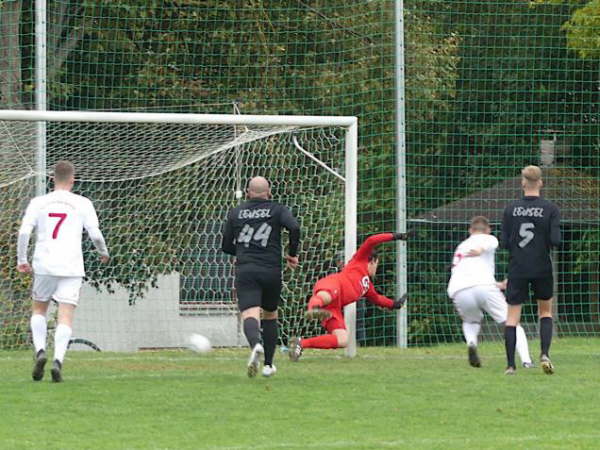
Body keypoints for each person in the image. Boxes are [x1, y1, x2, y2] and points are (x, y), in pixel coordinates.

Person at [17, 161, 109, 382]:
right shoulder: (82, 203)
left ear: (52, 179)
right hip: (71, 266)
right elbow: (95, 234)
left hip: (45, 264)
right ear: (72, 180)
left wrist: (22, 259)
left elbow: (24, 232)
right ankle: (58, 360)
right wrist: (103, 252)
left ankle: (40, 351)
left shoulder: (39, 202)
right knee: (65, 315)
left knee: (39, 310)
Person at [221, 176, 300, 378]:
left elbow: (225, 245)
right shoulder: (277, 209)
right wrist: (292, 253)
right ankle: (268, 365)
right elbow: (294, 227)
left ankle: (256, 344)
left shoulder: (236, 212)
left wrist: (239, 252)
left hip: (247, 269)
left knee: (250, 314)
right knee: (270, 314)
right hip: (271, 270)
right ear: (269, 192)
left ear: (248, 192)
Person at [288, 232, 407, 361]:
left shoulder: (367, 286)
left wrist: (395, 304)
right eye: (377, 265)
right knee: (326, 296)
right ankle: (314, 309)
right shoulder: (359, 260)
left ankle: (301, 343)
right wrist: (396, 236)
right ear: (372, 261)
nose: (376, 269)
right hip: (334, 284)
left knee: (343, 340)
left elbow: (377, 299)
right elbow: (371, 240)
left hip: (334, 308)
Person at [448, 216, 533, 368]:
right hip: (483, 286)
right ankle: (526, 361)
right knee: (512, 321)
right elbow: (488, 244)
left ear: (470, 230)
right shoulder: (489, 238)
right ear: (488, 230)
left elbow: (469, 272)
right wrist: (481, 249)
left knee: (470, 321)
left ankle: (472, 343)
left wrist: (497, 285)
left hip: (458, 289)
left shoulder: (461, 246)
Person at [501, 165, 560, 375]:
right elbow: (556, 240)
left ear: (523, 183)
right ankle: (544, 354)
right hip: (542, 267)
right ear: (541, 183)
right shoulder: (550, 208)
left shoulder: (510, 209)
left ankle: (510, 365)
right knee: (545, 312)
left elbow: (505, 242)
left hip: (518, 268)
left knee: (512, 317)